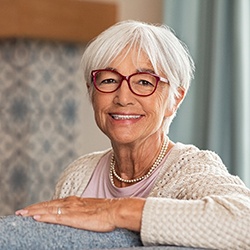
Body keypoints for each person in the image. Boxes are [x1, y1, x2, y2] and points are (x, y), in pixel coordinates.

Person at [16, 20, 250, 249]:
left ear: (175, 99)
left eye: (144, 82)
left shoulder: (190, 169)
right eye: (109, 80)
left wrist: (113, 211)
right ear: (91, 91)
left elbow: (245, 222)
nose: (123, 97)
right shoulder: (78, 174)